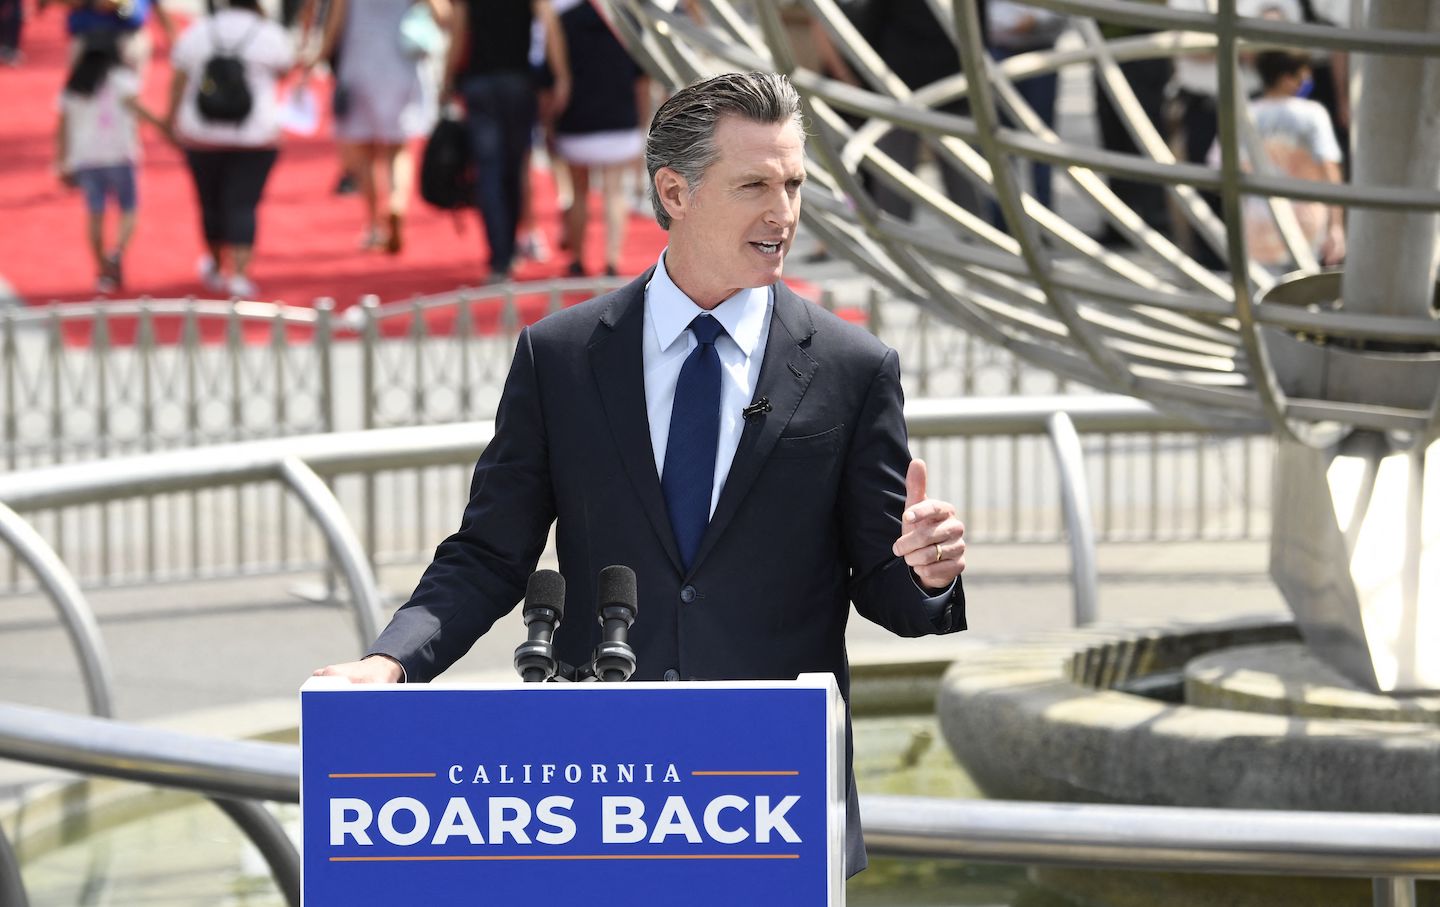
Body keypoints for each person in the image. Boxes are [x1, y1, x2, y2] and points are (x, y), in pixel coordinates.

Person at [313, 71, 969, 876]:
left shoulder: (852, 366)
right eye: (755, 184)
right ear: (674, 192)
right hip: (604, 792)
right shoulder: (561, 357)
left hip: (772, 804)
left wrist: (926, 572)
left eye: (794, 183)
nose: (784, 212)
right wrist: (392, 661)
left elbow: (890, 591)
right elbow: (488, 554)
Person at [166, 0, 293, 299]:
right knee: (243, 204)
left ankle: (216, 263)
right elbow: (285, 69)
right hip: (255, 136)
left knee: (210, 202)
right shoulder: (269, 33)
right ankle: (239, 274)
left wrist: (169, 119)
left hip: (202, 133)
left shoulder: (199, 31)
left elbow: (179, 79)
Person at [445, 0, 570, 283]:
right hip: (517, 81)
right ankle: (508, 250)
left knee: (489, 171)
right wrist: (561, 75)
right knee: (513, 168)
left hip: (480, 83)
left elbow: (459, 31)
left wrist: (447, 77)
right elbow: (549, 24)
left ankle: (499, 257)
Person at [313, 0, 451, 254]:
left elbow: (336, 22)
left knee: (363, 152)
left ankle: (375, 224)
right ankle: (396, 205)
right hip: (401, 64)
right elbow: (443, 14)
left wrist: (319, 56)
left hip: (359, 64)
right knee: (398, 150)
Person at [1214, 48, 1345, 271]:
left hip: (1256, 227)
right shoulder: (1313, 113)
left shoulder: (1244, 114)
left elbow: (1219, 166)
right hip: (1308, 227)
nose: (1308, 82)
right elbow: (1330, 171)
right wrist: (1336, 226)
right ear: (1287, 79)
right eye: (1304, 77)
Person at [55, 31, 163, 293]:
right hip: (120, 155)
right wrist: (167, 128)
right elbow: (142, 111)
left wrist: (62, 162)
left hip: (87, 158)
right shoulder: (123, 80)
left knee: (95, 214)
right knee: (128, 209)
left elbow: (62, 126)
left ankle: (102, 267)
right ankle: (117, 252)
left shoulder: (74, 86)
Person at [551, 0, 647, 277]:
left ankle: (578, 260)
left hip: (576, 119)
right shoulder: (627, 22)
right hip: (620, 118)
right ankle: (612, 260)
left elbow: (553, 74)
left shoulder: (565, 20)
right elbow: (642, 79)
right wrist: (642, 123)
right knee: (615, 192)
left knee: (578, 193)